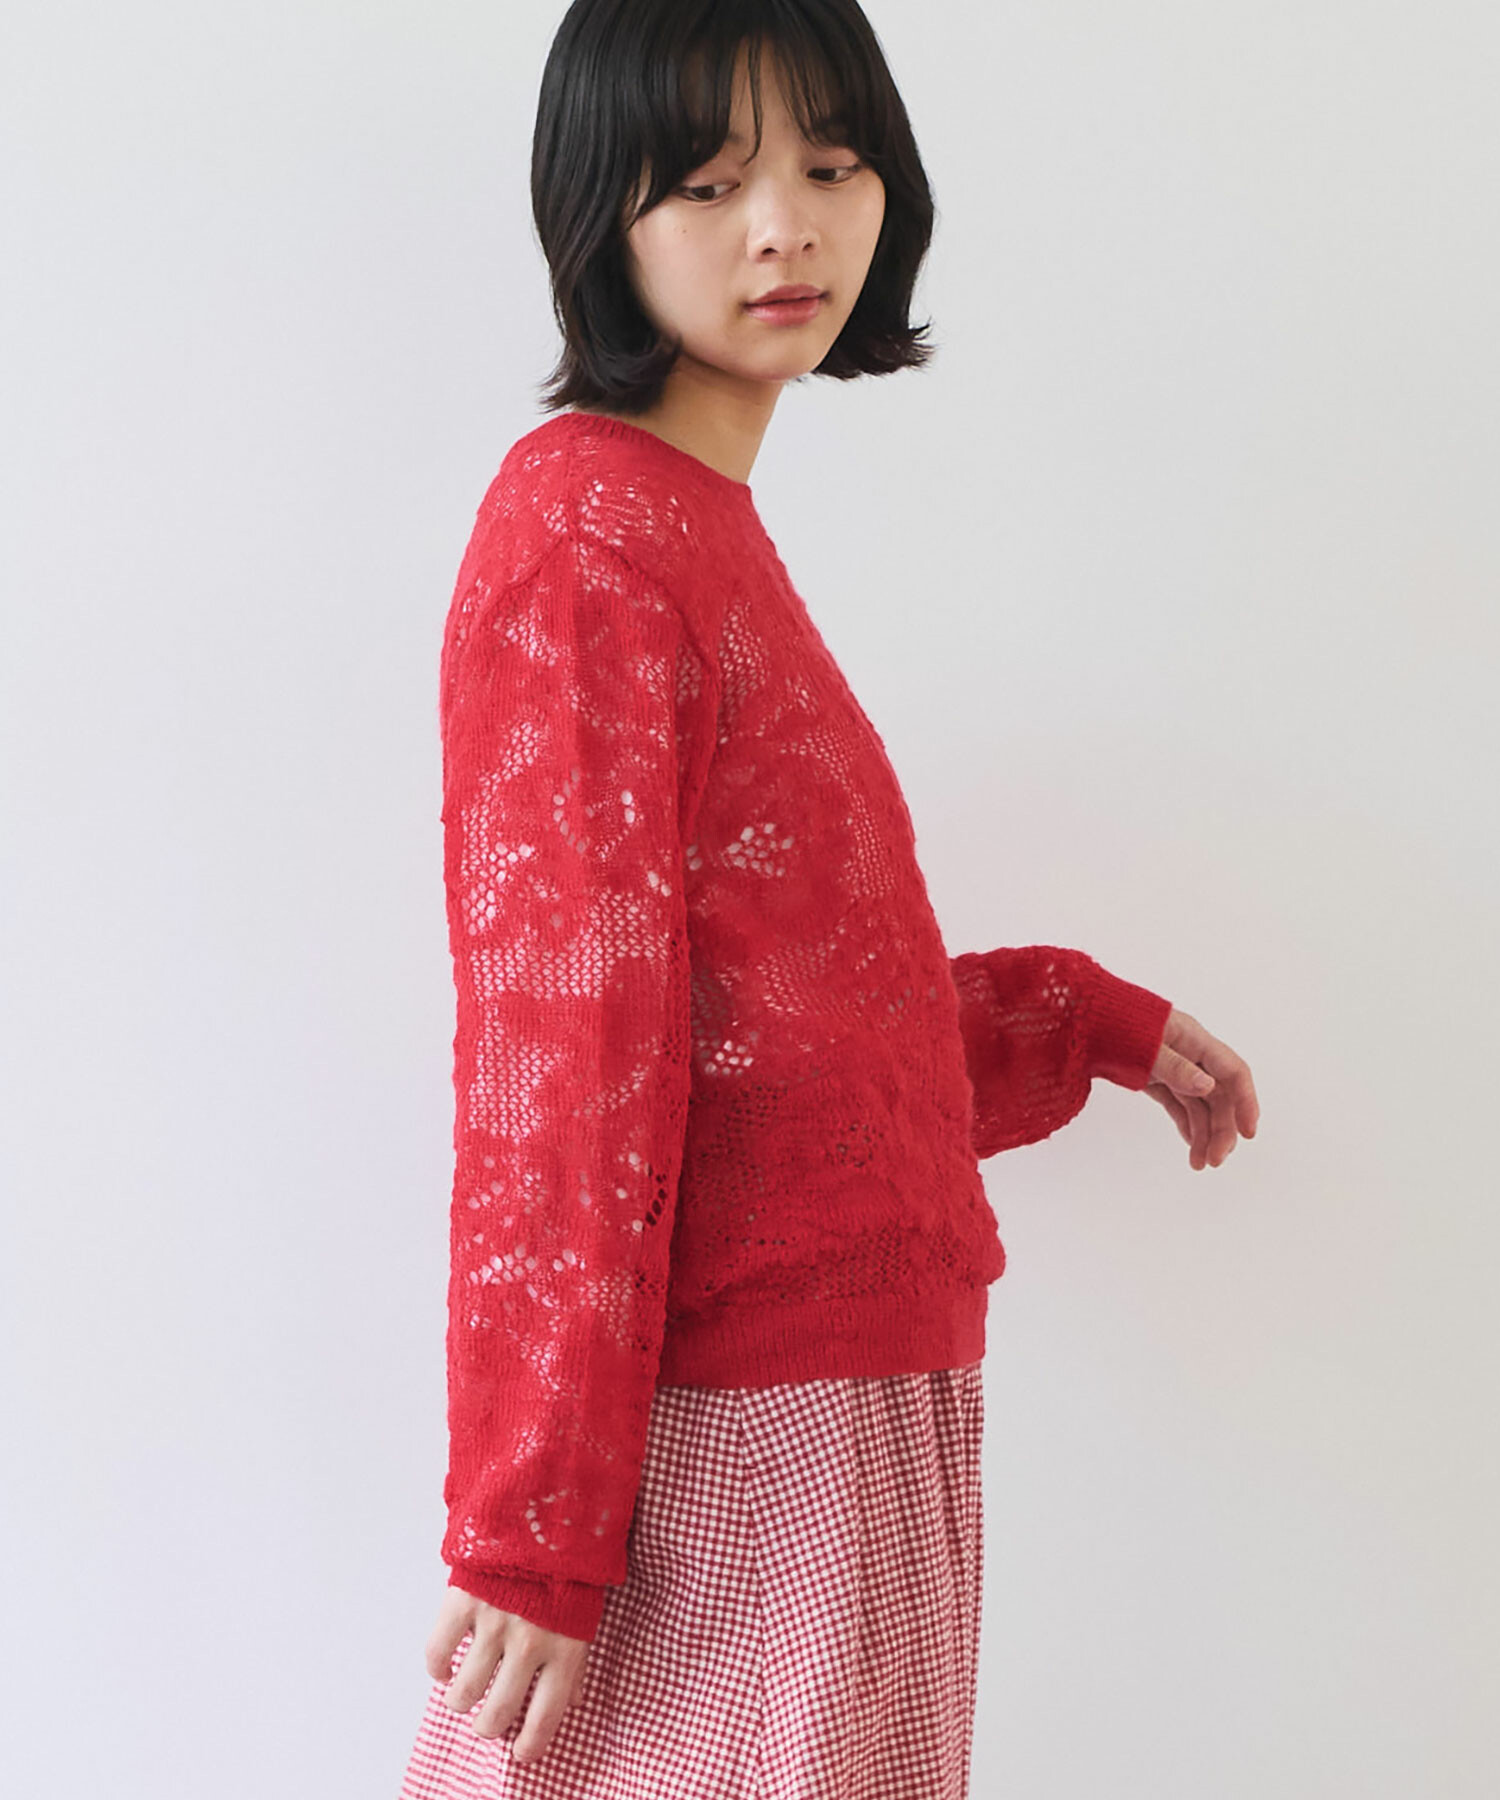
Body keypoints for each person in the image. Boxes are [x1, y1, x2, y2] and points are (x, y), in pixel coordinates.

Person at [398, 2, 1260, 1795]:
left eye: (830, 163)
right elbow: (570, 1053)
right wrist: (534, 1527)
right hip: (739, 1432)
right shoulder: (587, 538)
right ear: (602, 214)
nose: (784, 226)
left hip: (854, 1414)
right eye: (711, 183)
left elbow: (781, 1024)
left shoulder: (690, 525)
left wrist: (1075, 1018)